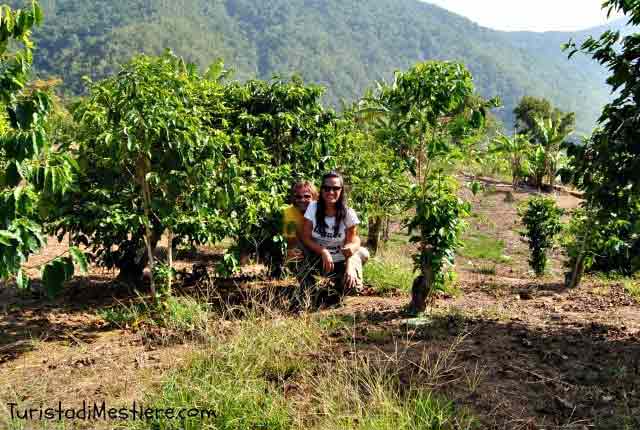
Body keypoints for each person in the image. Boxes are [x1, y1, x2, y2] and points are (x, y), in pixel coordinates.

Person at [301, 171, 368, 306]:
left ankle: (340, 284)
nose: (331, 192)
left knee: (353, 287)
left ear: (341, 190)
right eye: (327, 188)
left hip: (341, 258)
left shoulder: (348, 213)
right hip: (320, 258)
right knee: (297, 251)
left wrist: (349, 267)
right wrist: (323, 251)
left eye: (335, 188)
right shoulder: (313, 207)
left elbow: (351, 242)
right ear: (321, 189)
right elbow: (305, 237)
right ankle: (308, 289)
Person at [282, 180, 317, 263]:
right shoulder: (288, 212)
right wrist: (291, 252)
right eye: (298, 197)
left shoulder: (320, 210)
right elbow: (291, 239)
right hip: (302, 246)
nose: (302, 200)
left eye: (307, 196)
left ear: (314, 197)